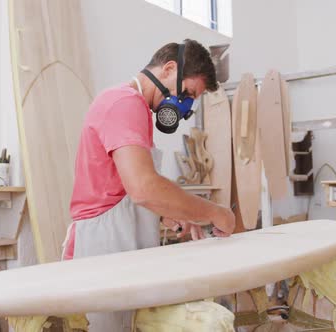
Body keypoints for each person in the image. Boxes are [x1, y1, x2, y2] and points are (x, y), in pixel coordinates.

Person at [63, 39, 236, 331]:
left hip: (116, 238)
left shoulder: (136, 107)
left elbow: (123, 187)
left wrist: (170, 211)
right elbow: (143, 187)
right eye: (188, 93)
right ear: (169, 69)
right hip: (104, 246)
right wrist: (214, 212)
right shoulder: (124, 103)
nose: (185, 106)